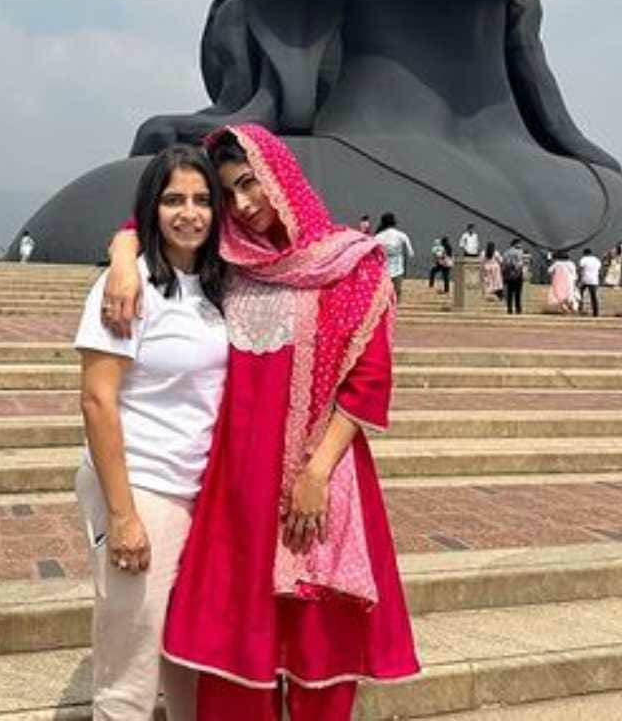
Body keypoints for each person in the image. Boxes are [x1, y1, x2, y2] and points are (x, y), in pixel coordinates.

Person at [102, 125, 419, 718]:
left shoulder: (353, 266)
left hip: (319, 481)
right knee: (235, 650)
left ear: (281, 177)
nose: (244, 204)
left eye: (251, 184)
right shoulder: (231, 263)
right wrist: (123, 258)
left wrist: (316, 474)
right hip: (236, 488)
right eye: (231, 194)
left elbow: (369, 382)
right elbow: (154, 223)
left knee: (317, 644)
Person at [73, 145, 230, 721]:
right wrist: (122, 516)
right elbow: (97, 399)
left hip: (197, 492)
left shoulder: (216, 287)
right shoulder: (127, 288)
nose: (188, 213)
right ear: (150, 208)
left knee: (186, 651)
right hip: (142, 484)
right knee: (131, 661)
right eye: (172, 200)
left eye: (201, 200)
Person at [372, 212, 413, 301]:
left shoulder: (377, 237)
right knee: (396, 292)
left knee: (383, 293)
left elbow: (373, 254)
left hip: (383, 269)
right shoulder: (401, 235)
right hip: (398, 269)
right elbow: (411, 252)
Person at [501, 241, 527, 315]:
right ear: (516, 244)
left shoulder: (506, 252)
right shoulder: (520, 252)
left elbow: (504, 263)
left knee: (509, 293)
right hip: (518, 274)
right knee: (518, 293)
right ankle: (518, 309)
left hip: (509, 275)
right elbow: (520, 263)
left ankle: (509, 309)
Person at [576, 248, 602, 317]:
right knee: (594, 297)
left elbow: (580, 269)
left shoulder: (583, 259)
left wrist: (578, 278)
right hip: (594, 280)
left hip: (585, 279)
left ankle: (580, 309)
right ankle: (596, 313)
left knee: (579, 295)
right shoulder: (596, 260)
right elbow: (599, 269)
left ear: (584, 253)